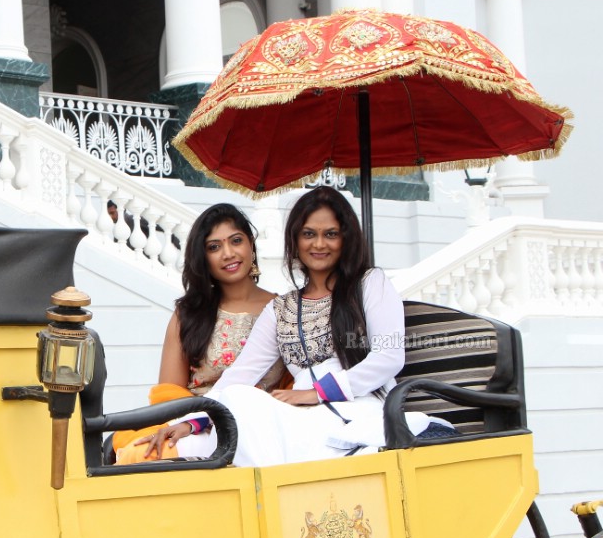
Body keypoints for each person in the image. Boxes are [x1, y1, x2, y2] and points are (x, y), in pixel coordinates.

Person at [136, 187, 442, 466]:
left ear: (346, 238)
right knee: (233, 406)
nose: (319, 244)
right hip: (299, 417)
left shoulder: (370, 284)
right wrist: (192, 423)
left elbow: (388, 359)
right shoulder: (281, 309)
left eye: (330, 234)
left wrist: (315, 393)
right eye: (309, 234)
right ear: (295, 240)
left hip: (358, 408)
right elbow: (238, 378)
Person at [112, 204, 284, 464]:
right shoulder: (189, 315)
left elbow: (294, 384)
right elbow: (169, 394)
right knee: (139, 455)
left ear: (251, 245)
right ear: (203, 257)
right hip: (193, 425)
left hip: (264, 425)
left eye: (236, 241)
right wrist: (193, 423)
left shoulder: (285, 311)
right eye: (214, 247)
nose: (228, 253)